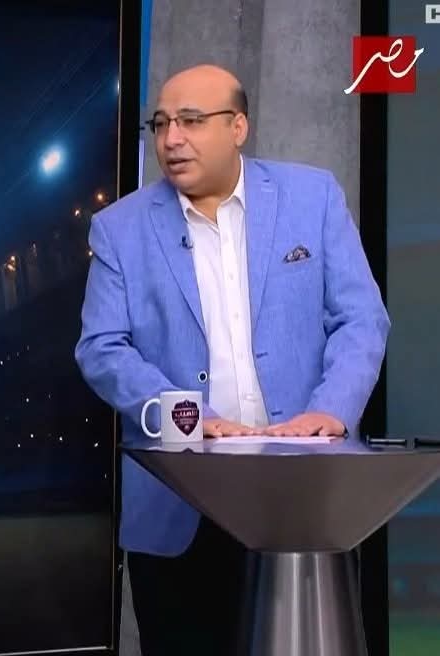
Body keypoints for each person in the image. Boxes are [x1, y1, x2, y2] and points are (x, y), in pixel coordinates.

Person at [73, 64, 390, 656]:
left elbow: (361, 319)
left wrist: (331, 411)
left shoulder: (312, 198)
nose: (172, 139)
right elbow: (102, 347)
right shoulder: (119, 229)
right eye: (161, 124)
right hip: (181, 506)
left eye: (191, 121)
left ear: (238, 127)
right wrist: (189, 414)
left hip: (303, 498)